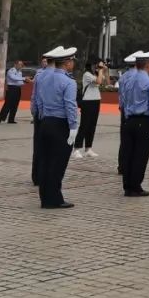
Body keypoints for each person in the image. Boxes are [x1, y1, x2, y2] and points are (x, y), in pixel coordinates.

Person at [36, 46, 79, 209]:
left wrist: (41, 116)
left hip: (46, 122)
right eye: (72, 61)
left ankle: (45, 197)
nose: (73, 64)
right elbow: (70, 105)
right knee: (58, 164)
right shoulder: (69, 82)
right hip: (60, 124)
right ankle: (54, 198)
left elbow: (39, 100)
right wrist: (73, 126)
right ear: (67, 63)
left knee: (45, 162)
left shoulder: (43, 77)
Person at [120, 51, 149, 196]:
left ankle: (127, 185)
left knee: (128, 154)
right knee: (140, 155)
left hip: (129, 120)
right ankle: (135, 186)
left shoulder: (127, 79)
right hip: (143, 121)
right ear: (148, 65)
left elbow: (123, 100)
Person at [74, 59, 108, 160]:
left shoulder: (97, 73)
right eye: (96, 65)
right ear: (91, 65)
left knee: (92, 125)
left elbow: (106, 82)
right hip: (87, 102)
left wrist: (105, 70)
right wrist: (101, 70)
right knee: (84, 125)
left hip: (96, 100)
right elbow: (98, 81)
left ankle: (88, 148)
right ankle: (76, 149)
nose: (96, 67)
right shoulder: (87, 74)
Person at [117, 51, 141, 176]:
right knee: (135, 142)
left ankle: (122, 166)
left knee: (124, 140)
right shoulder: (139, 77)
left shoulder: (123, 76)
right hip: (136, 113)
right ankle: (131, 167)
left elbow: (121, 96)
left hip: (124, 110)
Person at [30, 55, 50, 187]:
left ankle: (36, 175)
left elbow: (34, 96)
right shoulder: (60, 78)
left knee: (38, 146)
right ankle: (44, 175)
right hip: (50, 116)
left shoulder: (40, 76)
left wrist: (34, 112)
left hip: (39, 115)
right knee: (49, 149)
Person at [0, 60, 26, 124]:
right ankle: (0, 118)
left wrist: (25, 81)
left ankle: (11, 119)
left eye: (22, 65)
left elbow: (19, 82)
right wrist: (24, 78)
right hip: (11, 89)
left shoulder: (20, 72)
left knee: (15, 104)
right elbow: (13, 78)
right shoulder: (11, 71)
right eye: (20, 64)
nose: (21, 66)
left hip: (17, 89)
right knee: (8, 104)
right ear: (15, 64)